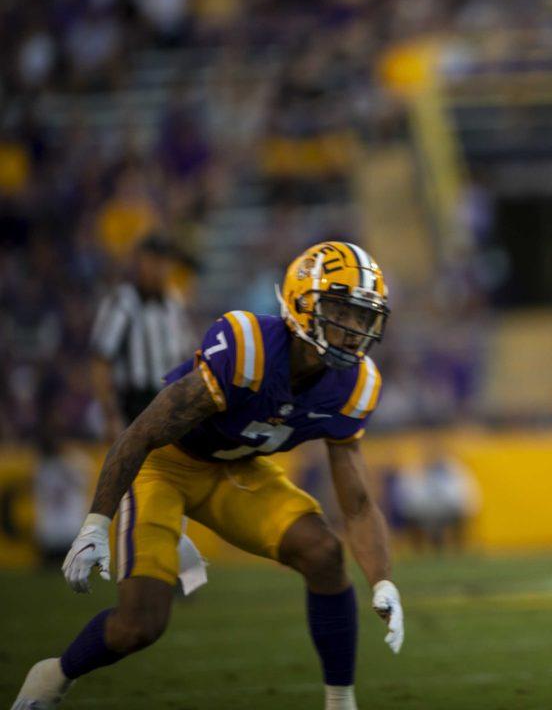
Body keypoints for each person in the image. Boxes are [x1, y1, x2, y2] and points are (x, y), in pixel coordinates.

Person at [13, 241, 403, 710]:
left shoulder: (356, 384)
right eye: (341, 309)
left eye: (363, 317)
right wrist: (97, 522)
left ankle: (341, 703)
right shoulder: (249, 346)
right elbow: (141, 434)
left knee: (323, 552)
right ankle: (54, 674)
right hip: (167, 464)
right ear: (302, 303)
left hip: (236, 470)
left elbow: (357, 503)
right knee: (139, 626)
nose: (353, 328)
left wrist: (382, 580)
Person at [90, 233, 191, 442]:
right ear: (140, 262)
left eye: (164, 262)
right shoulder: (122, 302)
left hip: (169, 401)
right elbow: (101, 361)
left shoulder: (174, 304)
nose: (159, 269)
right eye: (153, 261)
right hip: (133, 404)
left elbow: (185, 353)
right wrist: (110, 416)